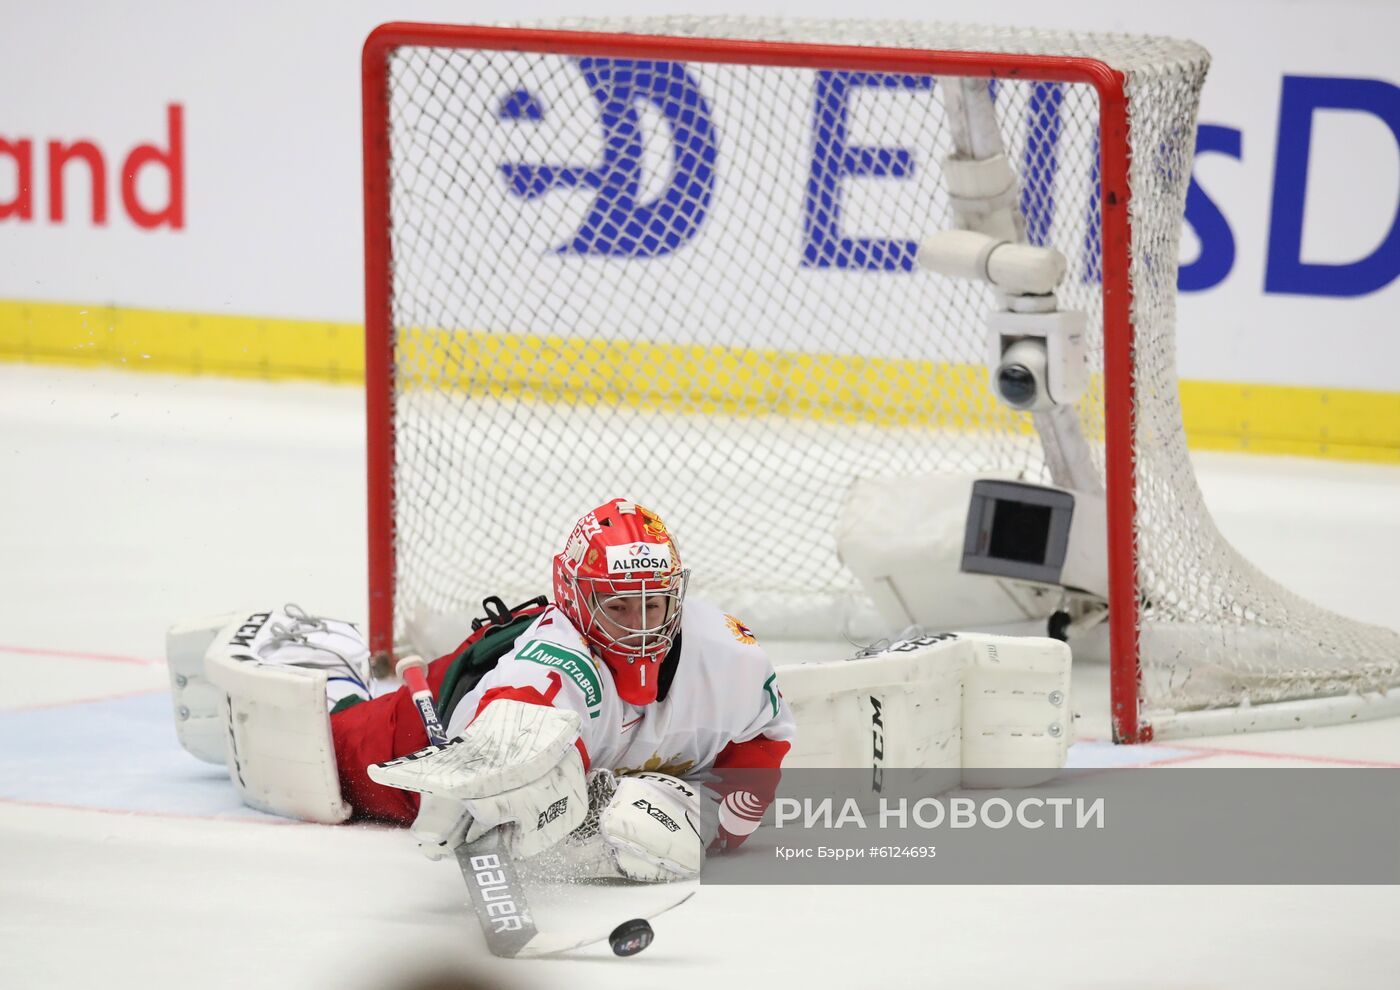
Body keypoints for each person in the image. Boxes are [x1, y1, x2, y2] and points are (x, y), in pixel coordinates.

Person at [177, 498, 795, 883]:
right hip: (456, 701)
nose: (640, 627)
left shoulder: (729, 657)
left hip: (591, 748)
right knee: (325, 765)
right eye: (618, 606)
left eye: (653, 604)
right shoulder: (553, 661)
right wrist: (478, 789)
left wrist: (706, 822)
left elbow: (764, 740)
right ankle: (331, 664)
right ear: (577, 599)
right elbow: (512, 730)